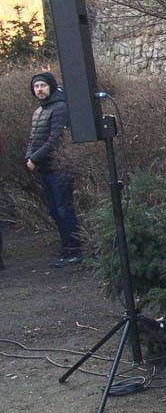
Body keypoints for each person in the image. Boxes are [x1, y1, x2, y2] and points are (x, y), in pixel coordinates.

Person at [25, 71, 81, 267]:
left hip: (59, 167)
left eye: (43, 86)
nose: (39, 89)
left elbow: (55, 138)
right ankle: (66, 249)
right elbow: (33, 139)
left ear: (50, 86)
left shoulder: (60, 108)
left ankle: (74, 250)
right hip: (45, 168)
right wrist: (29, 157)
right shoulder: (39, 111)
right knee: (55, 211)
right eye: (36, 86)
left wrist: (34, 158)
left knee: (64, 209)